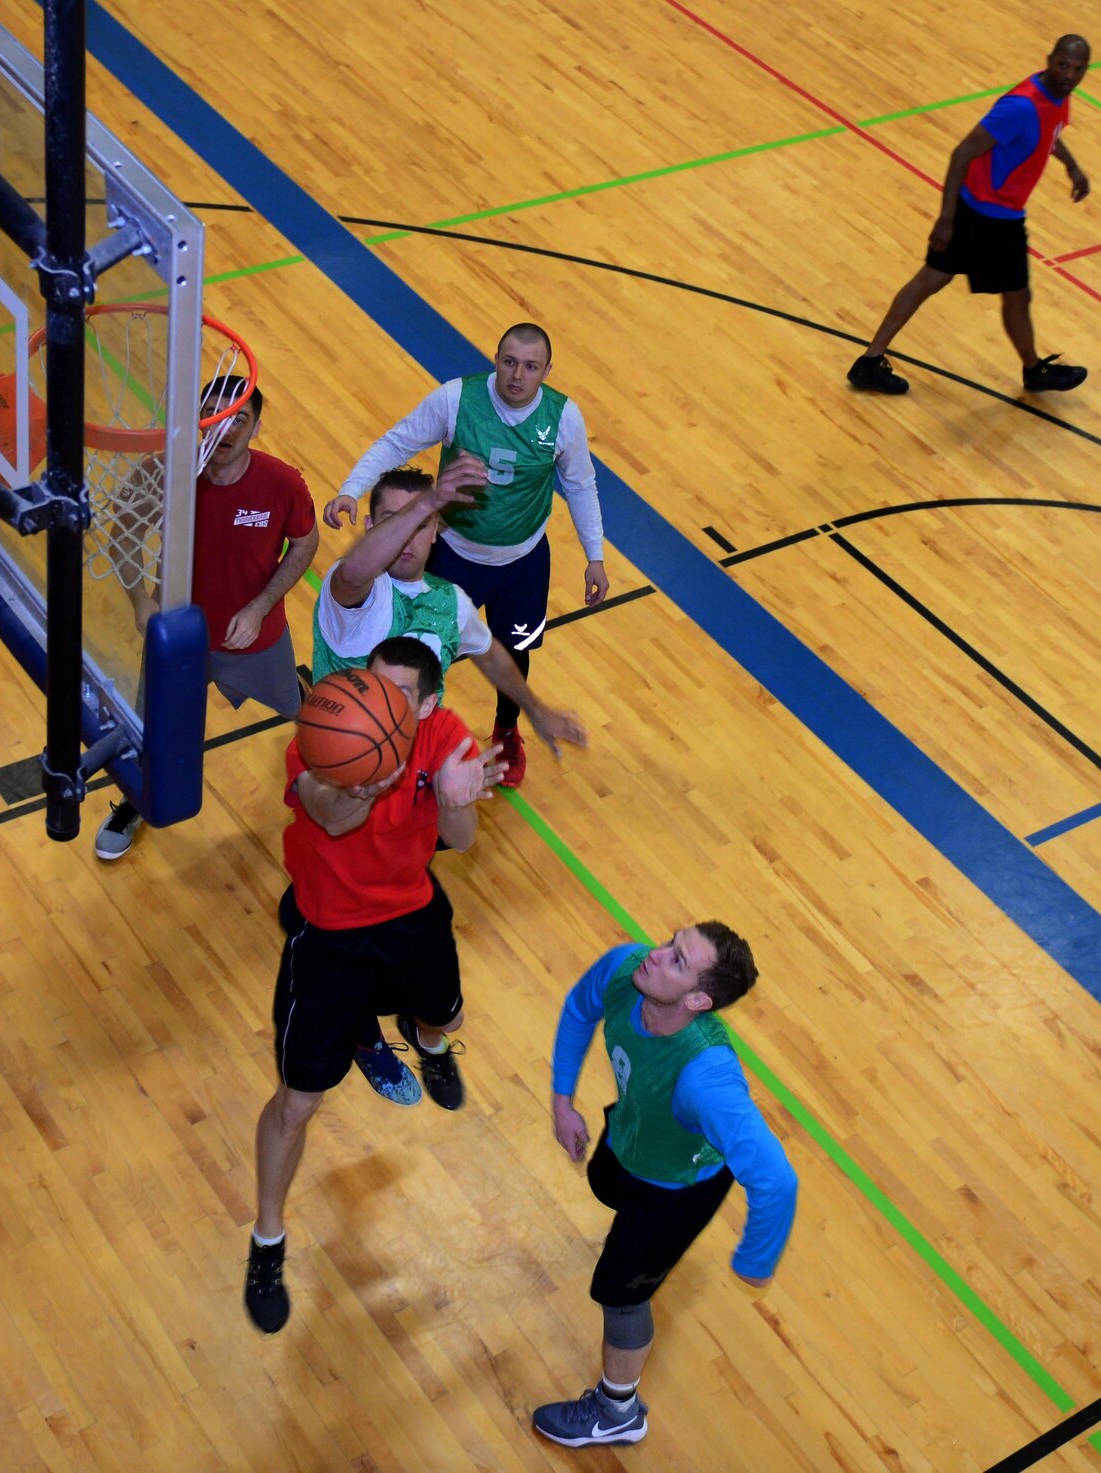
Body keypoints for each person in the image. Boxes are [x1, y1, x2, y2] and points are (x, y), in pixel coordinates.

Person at [242, 636, 504, 1335]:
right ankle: (267, 1240)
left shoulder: (448, 736)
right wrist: (373, 775)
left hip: (413, 913)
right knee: (298, 1102)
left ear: (427, 704)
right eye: (371, 687)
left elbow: (464, 840)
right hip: (329, 933)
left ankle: (428, 1047)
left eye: (397, 699)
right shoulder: (331, 727)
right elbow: (329, 814)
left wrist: (456, 798)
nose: (377, 703)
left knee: (442, 1017)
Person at [312, 456, 589, 1106]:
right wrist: (428, 496)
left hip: (411, 795)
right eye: (392, 522)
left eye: (422, 524)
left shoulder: (449, 602)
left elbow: (490, 653)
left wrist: (538, 710)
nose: (408, 538)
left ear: (438, 531)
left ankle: (422, 1025)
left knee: (412, 912)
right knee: (350, 933)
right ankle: (361, 1028)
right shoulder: (354, 592)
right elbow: (355, 566)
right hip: (344, 798)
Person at [532, 926, 798, 1447]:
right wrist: (562, 1101)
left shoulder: (707, 1077)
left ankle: (618, 1411)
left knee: (619, 1292)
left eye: (676, 961)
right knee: (605, 1182)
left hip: (676, 1191)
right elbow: (579, 1008)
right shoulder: (624, 970)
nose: (653, 955)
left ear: (699, 999)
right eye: (669, 942)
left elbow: (776, 1178)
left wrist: (755, 1262)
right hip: (635, 1133)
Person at [323, 323, 607, 787]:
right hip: (453, 553)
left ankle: (507, 728)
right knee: (424, 651)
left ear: (547, 371)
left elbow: (580, 484)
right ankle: (406, 731)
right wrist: (353, 489)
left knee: (512, 651)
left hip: (524, 562)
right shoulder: (457, 399)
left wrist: (594, 555)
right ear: (495, 358)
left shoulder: (564, 418)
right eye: (509, 361)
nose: (517, 375)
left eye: (531, 367)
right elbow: (398, 442)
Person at [97, 375, 320, 860]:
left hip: (256, 640)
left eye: (239, 417)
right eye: (216, 416)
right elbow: (122, 535)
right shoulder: (164, 475)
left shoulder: (282, 483)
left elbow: (305, 541)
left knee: (295, 708)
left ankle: (324, 777)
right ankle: (137, 801)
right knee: (149, 727)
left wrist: (260, 607)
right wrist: (139, 601)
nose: (227, 428)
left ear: (256, 427)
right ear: (200, 422)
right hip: (177, 641)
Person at [848, 34, 1094, 397]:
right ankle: (1034, 371)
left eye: (1078, 69)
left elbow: (1048, 135)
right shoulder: (1022, 106)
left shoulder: (1056, 96)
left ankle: (869, 362)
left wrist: (1071, 166)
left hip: (984, 210)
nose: (1070, 74)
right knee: (1016, 295)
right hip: (992, 216)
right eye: (1063, 65)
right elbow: (962, 153)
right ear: (1049, 59)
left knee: (932, 281)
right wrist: (946, 218)